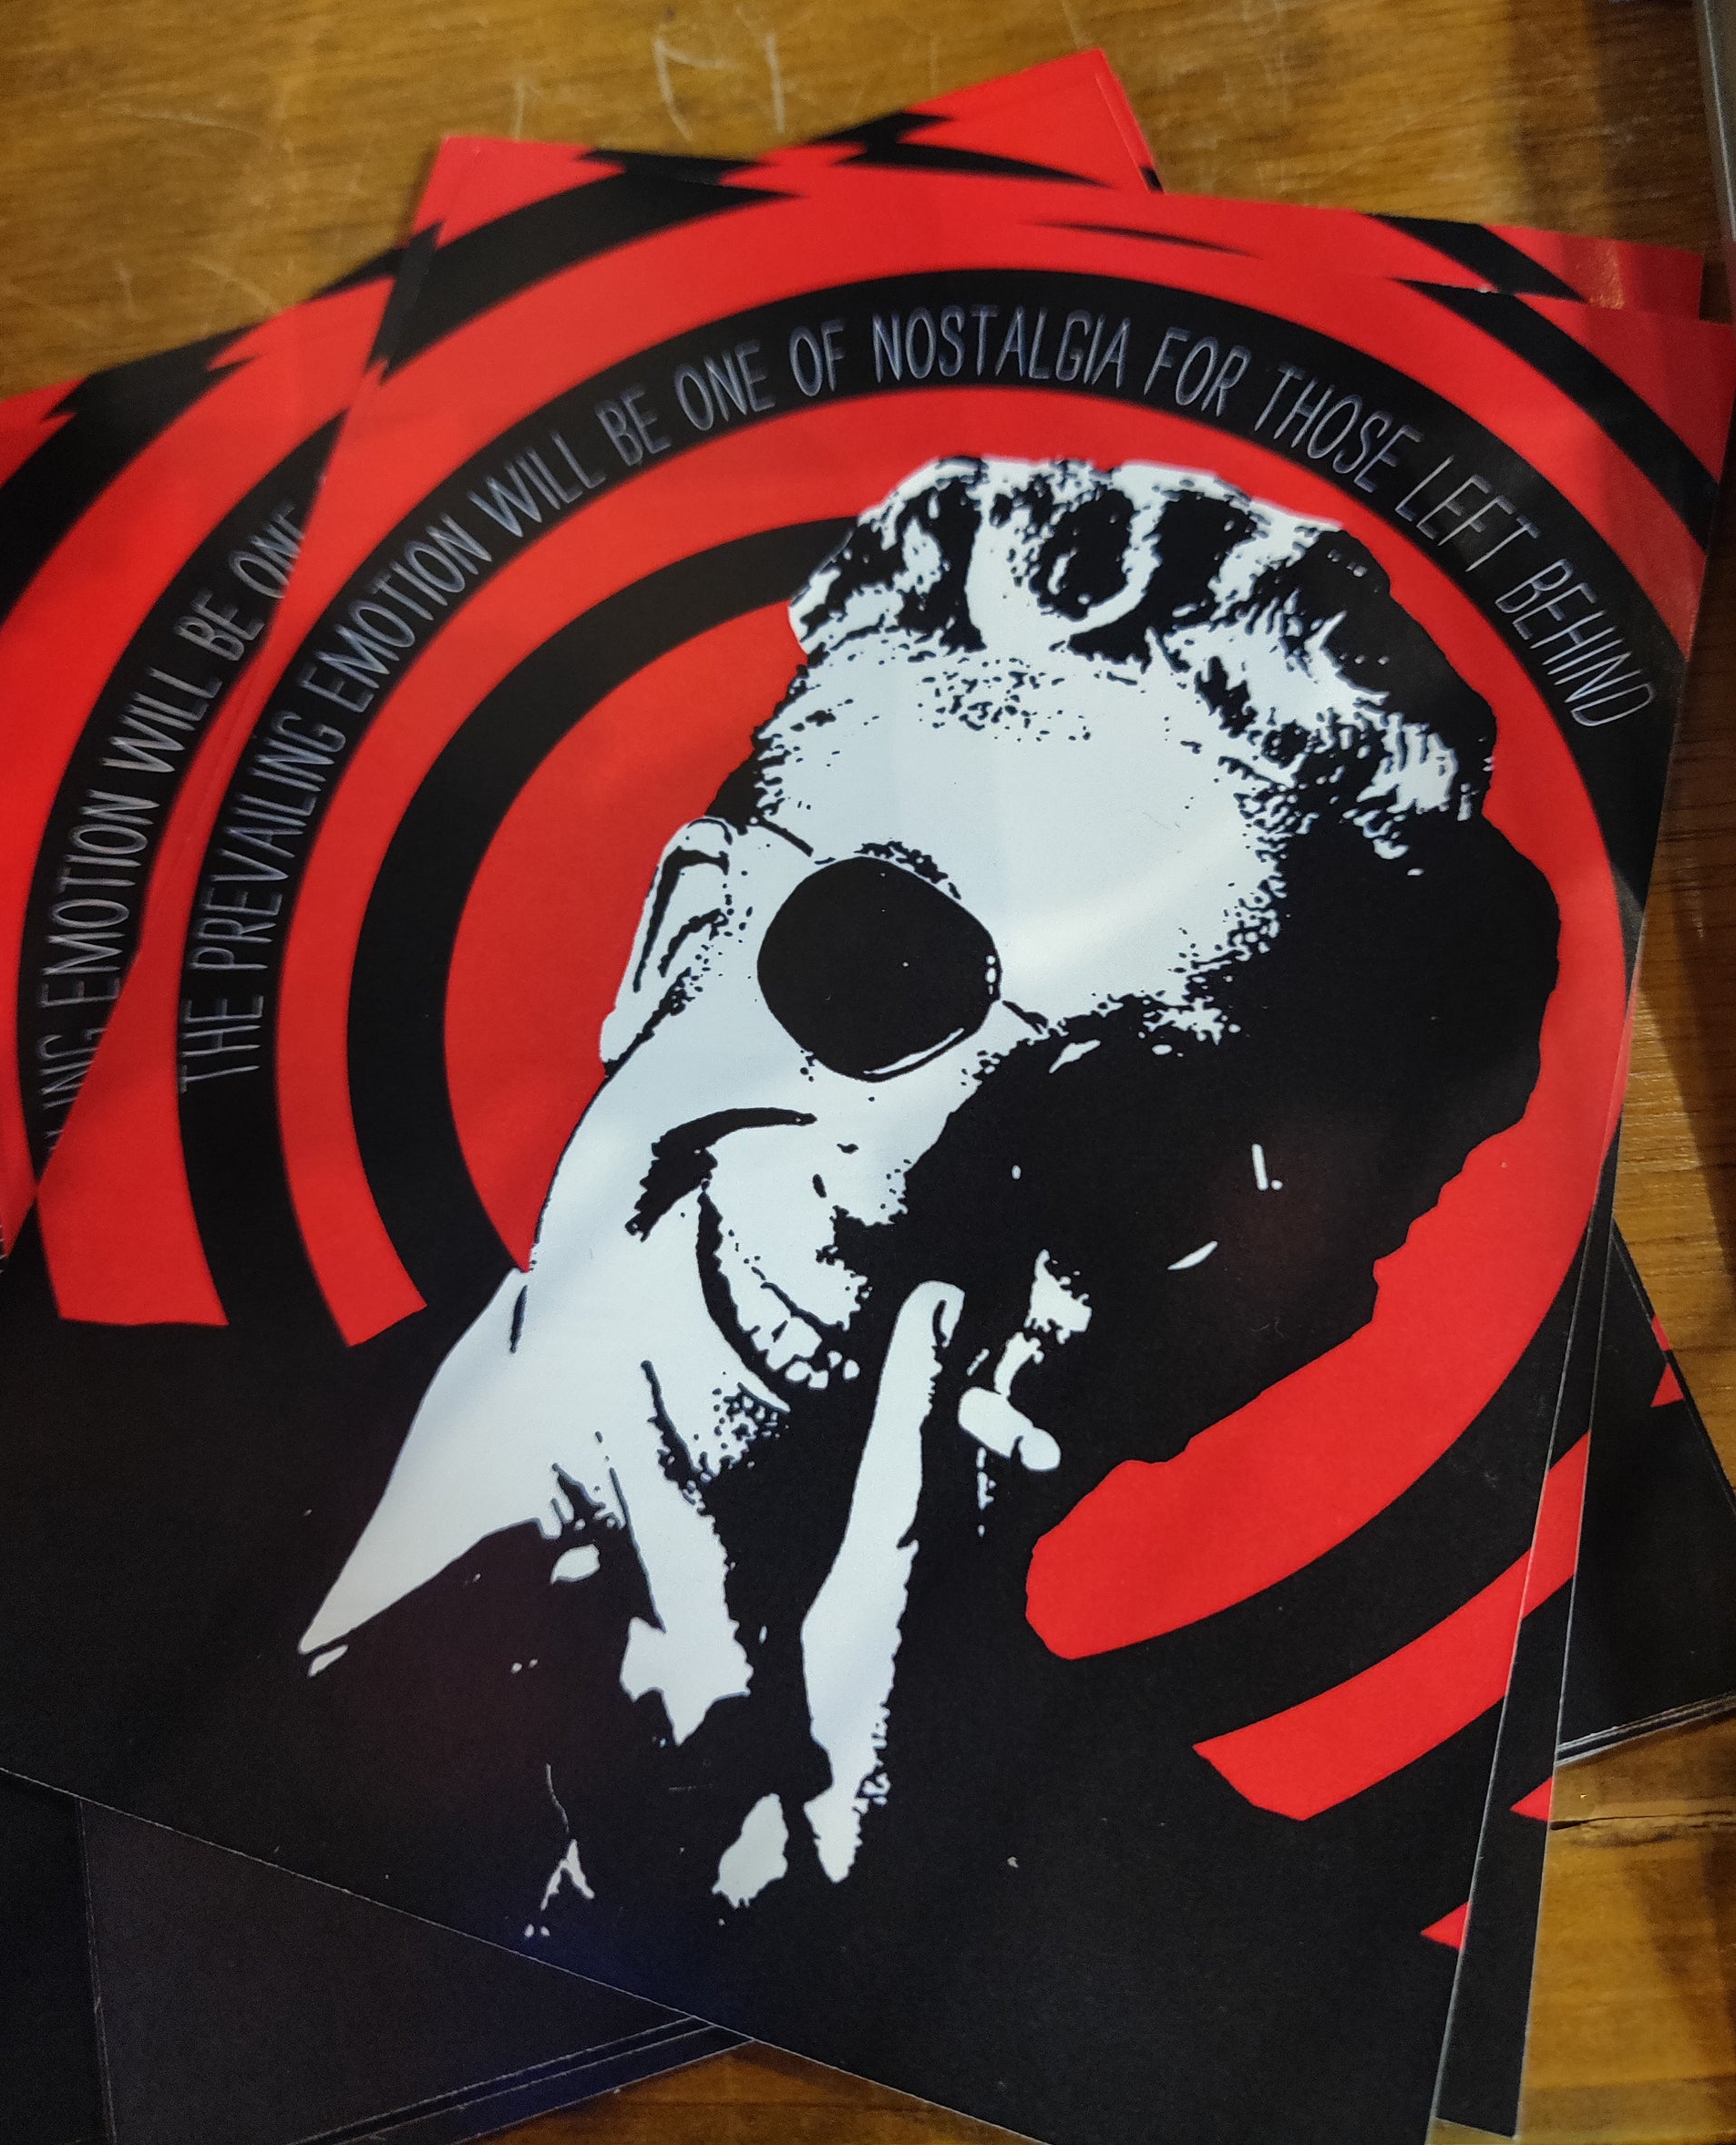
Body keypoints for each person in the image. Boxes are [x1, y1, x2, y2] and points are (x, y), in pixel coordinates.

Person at [301, 453, 1558, 1928]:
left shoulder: (1270, 1980)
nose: (900, 1178)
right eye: (882, 962)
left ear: (1266, 1327)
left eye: (1124, 1122)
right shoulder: (83, 1485)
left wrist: (851, 1945)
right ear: (675, 947)